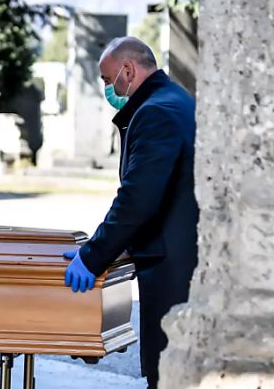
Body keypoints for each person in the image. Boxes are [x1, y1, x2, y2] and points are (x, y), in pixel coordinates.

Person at [62, 37, 198, 389]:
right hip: (180, 257)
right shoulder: (176, 99)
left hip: (170, 265)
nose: (108, 88)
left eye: (109, 80)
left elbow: (138, 198)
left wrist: (93, 256)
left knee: (167, 372)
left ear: (128, 70)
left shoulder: (155, 112)